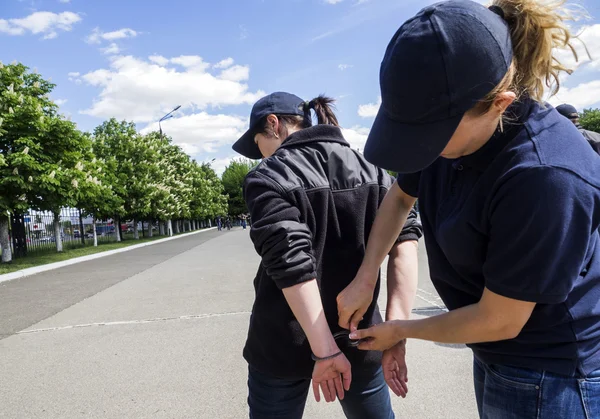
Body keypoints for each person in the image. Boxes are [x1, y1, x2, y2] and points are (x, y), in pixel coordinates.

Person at [337, 1, 600, 418]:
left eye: (430, 136)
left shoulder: (545, 175)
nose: (422, 150)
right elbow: (401, 196)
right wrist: (367, 275)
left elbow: (501, 319)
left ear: (500, 103)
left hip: (551, 375)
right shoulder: (453, 129)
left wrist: (400, 331)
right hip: (494, 352)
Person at [233, 91, 423, 418]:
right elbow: (405, 241)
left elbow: (290, 262)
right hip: (362, 336)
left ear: (273, 124)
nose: (260, 155)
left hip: (282, 340)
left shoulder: (269, 175)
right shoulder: (373, 170)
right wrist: (395, 331)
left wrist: (325, 353)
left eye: (257, 143)